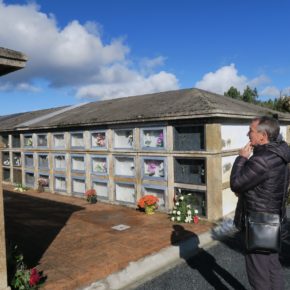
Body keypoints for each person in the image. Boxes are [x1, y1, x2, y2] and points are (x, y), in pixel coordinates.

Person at [230, 116, 290, 290]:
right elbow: (264, 185)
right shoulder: (279, 153)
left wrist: (241, 159)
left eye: (251, 130)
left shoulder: (261, 160)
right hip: (274, 221)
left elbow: (236, 183)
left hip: (259, 224)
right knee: (273, 269)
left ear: (263, 136)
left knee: (259, 276)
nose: (248, 133)